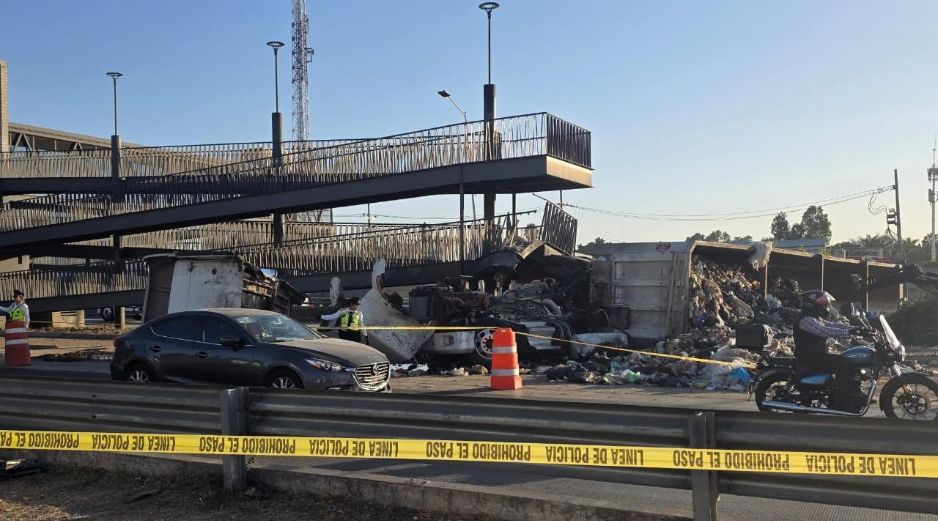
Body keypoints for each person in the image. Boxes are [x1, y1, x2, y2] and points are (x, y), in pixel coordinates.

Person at [793, 290, 862, 410]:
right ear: (812, 305)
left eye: (826, 304)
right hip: (809, 357)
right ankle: (842, 401)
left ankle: (852, 391)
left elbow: (833, 326)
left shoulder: (816, 318)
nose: (827, 307)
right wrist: (850, 332)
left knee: (849, 361)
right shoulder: (805, 320)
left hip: (817, 355)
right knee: (842, 363)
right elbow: (825, 331)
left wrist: (858, 328)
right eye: (823, 304)